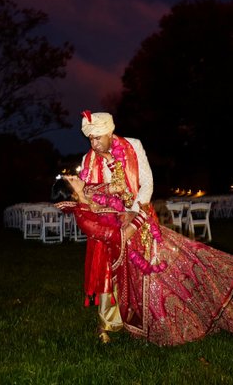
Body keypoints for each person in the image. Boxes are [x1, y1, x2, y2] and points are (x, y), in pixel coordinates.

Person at [57, 176, 233, 347]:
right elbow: (116, 237)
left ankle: (230, 295)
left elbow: (119, 189)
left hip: (150, 235)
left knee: (191, 259)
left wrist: (121, 181)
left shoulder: (92, 191)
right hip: (133, 253)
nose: (76, 176)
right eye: (72, 180)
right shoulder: (84, 217)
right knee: (163, 283)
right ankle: (179, 326)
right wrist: (139, 219)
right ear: (72, 194)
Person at [76, 110, 154, 343]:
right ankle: (109, 322)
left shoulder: (133, 146)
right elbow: (87, 193)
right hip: (107, 225)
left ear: (111, 132)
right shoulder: (87, 160)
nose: (94, 143)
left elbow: (147, 181)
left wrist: (133, 212)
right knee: (106, 269)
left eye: (98, 137)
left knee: (139, 265)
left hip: (136, 214)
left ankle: (142, 317)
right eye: (90, 138)